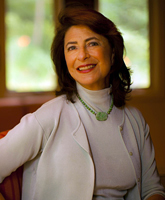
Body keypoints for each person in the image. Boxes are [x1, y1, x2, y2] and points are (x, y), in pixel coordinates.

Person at [0, 5, 165, 200]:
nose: (82, 55)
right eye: (72, 47)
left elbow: (152, 189)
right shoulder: (48, 117)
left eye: (92, 43)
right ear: (65, 59)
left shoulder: (134, 119)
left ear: (112, 53)